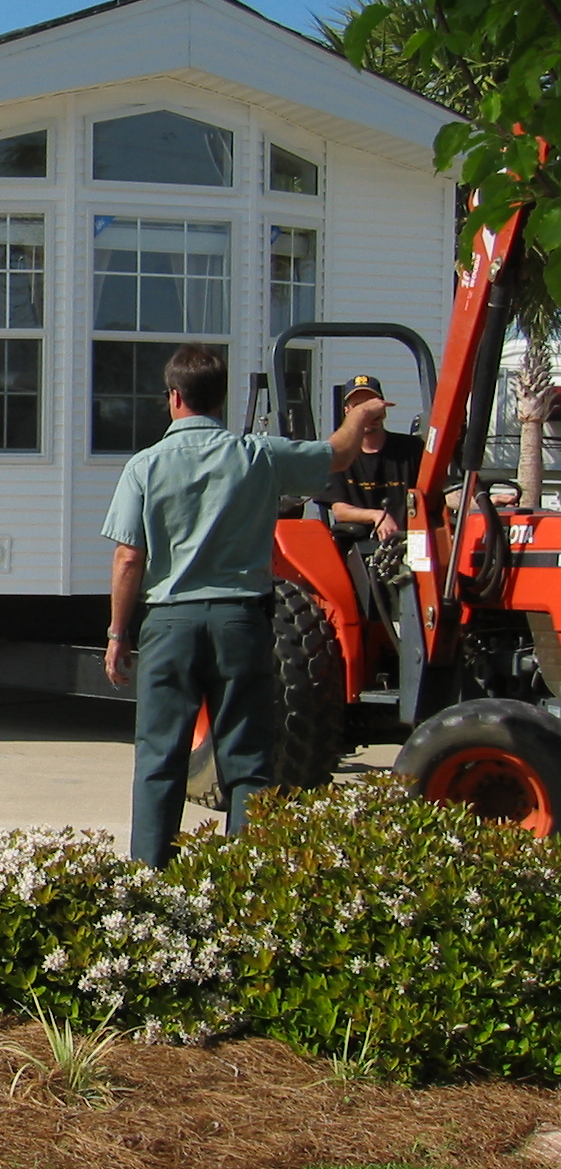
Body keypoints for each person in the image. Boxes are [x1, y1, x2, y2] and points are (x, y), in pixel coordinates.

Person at [102, 344, 382, 866]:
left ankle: (150, 875)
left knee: (161, 758)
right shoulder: (259, 455)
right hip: (241, 621)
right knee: (248, 758)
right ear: (220, 399)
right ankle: (243, 877)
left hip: (171, 624)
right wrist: (360, 414)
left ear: (174, 397)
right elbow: (339, 455)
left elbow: (128, 557)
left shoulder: (145, 465)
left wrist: (118, 634)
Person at [320, 375, 423, 542]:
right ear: (347, 411)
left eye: (371, 405)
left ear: (383, 408)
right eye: (359, 407)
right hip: (358, 545)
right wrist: (377, 515)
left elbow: (439, 491)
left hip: (410, 542)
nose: (367, 413)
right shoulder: (339, 455)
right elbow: (340, 510)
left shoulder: (412, 449)